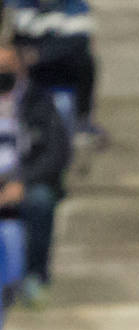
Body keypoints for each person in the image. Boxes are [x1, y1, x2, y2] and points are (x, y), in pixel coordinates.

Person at [0, 40, 71, 306]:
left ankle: (35, 277)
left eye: (6, 67)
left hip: (23, 180)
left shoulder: (38, 101)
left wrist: (22, 181)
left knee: (40, 200)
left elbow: (57, 152)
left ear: (20, 69)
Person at [8, 0, 101, 136]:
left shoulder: (74, 6)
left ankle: (82, 120)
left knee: (84, 60)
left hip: (63, 72)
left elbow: (78, 42)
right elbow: (18, 39)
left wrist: (39, 55)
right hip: (31, 73)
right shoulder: (23, 6)